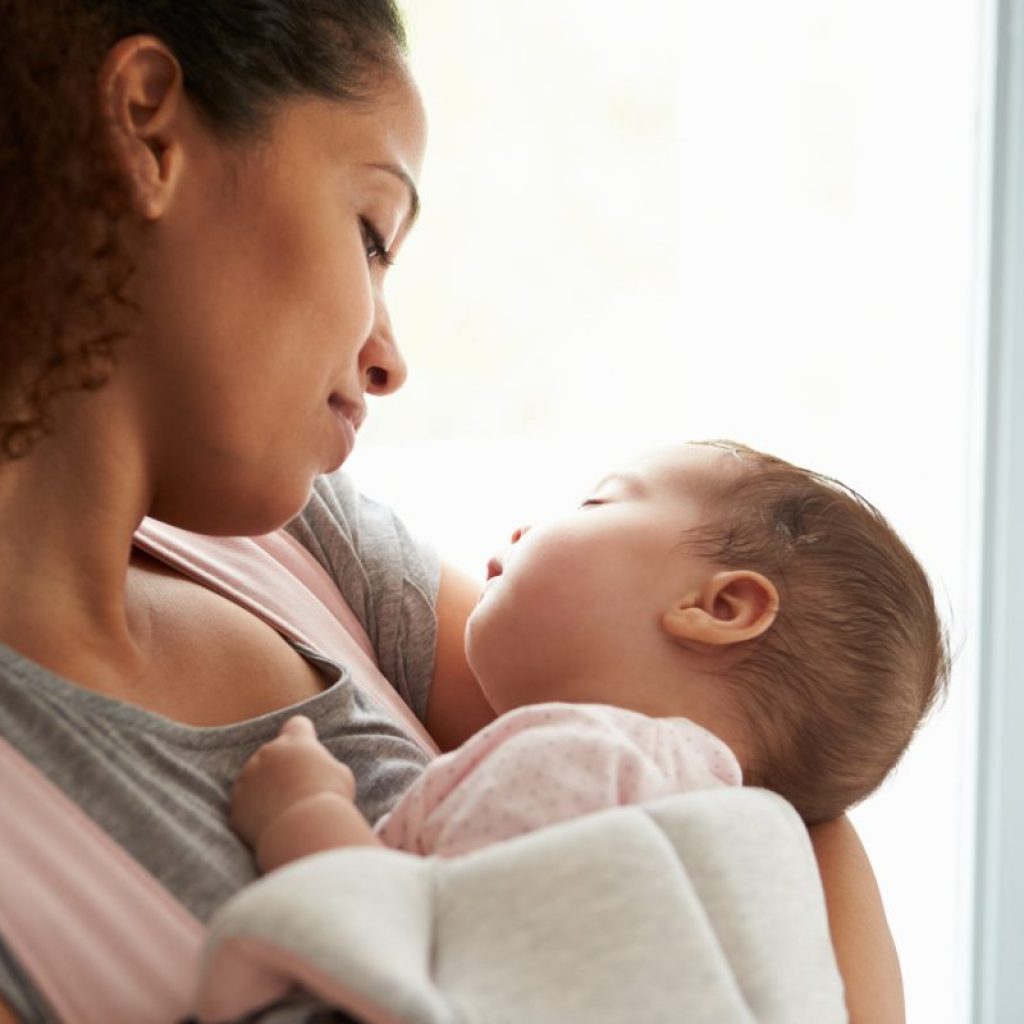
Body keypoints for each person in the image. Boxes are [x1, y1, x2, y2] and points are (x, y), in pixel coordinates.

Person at [0, 1, 906, 1021]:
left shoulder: (299, 542)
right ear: (150, 126)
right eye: (372, 234)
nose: (389, 359)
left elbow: (758, 751)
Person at [230, 441, 948, 864]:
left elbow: (402, 961)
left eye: (597, 504)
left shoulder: (584, 773)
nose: (527, 524)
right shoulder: (725, 840)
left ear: (719, 607)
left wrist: (305, 818)